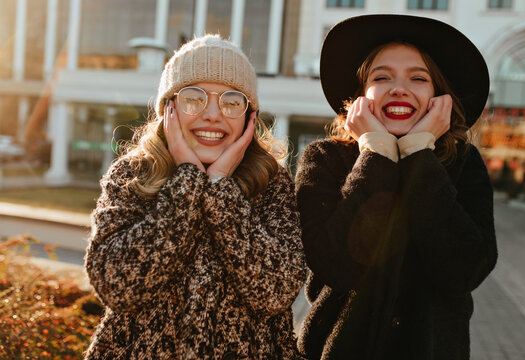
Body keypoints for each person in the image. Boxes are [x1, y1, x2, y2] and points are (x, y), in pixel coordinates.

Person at [84, 34, 306, 359]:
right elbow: (116, 285)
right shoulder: (131, 175)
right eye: (193, 98)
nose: (213, 115)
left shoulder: (272, 183)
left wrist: (219, 188)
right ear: (168, 109)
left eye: (231, 101)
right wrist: (187, 181)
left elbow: (275, 292)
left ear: (249, 116)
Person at [295, 15, 497, 360]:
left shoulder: (463, 164)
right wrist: (376, 152)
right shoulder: (324, 159)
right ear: (360, 96)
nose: (398, 88)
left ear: (439, 97)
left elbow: (465, 270)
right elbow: (336, 264)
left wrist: (419, 153)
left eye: (418, 78)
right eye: (381, 77)